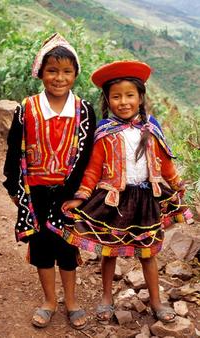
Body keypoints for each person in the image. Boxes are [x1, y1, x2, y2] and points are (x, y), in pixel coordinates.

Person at [60, 60, 192, 324]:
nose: (123, 102)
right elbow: (93, 170)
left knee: (148, 253)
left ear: (140, 97)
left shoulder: (151, 128)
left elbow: (165, 163)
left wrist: (177, 185)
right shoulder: (105, 133)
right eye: (116, 96)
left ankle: (156, 301)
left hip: (146, 200)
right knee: (109, 251)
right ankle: (106, 298)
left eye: (130, 95)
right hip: (113, 200)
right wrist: (81, 196)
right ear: (107, 100)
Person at [3, 33, 96, 329]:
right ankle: (48, 301)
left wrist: (78, 194)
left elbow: (87, 155)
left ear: (75, 74)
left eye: (67, 71)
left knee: (67, 248)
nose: (59, 78)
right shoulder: (26, 109)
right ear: (40, 72)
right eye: (52, 70)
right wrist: (13, 189)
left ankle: (71, 301)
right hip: (35, 193)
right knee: (42, 246)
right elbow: (13, 150)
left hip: (69, 195)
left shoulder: (84, 111)